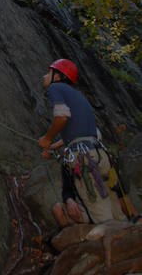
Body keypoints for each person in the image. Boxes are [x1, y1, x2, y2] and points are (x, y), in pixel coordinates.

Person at [39, 58, 127, 224]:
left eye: (49, 72)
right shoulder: (78, 96)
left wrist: (47, 138)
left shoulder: (55, 87)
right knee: (118, 215)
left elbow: (62, 117)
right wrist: (50, 146)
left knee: (105, 221)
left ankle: (116, 244)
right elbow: (76, 133)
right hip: (100, 155)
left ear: (57, 77)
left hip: (85, 160)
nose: (44, 76)